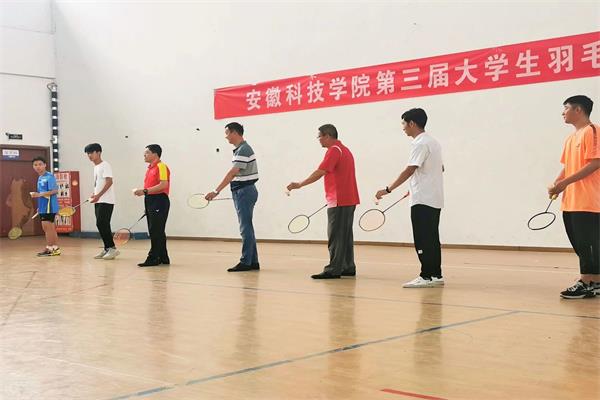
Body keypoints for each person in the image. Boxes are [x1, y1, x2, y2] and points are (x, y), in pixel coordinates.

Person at [375, 108, 444, 288]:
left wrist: (388, 189)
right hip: (434, 198)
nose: (403, 127)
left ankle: (426, 276)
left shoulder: (420, 143)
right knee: (432, 238)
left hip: (422, 199)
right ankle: (436, 275)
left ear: (412, 123)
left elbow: (410, 169)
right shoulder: (434, 142)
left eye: (404, 123)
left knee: (422, 238)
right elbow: (440, 168)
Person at [287, 124, 359, 279]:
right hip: (348, 199)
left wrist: (300, 184)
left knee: (336, 235)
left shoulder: (334, 150)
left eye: (319, 136)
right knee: (345, 235)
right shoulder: (345, 149)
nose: (318, 139)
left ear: (327, 136)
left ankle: (333, 269)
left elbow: (321, 171)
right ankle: (347, 266)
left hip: (340, 200)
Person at [548, 95, 600, 299]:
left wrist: (565, 182)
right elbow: (568, 166)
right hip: (571, 200)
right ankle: (595, 281)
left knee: (588, 243)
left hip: (589, 200)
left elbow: (596, 162)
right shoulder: (570, 138)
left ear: (578, 110)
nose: (563, 112)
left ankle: (586, 281)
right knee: (579, 243)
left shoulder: (592, 131)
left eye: (566, 108)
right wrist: (557, 184)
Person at [206, 122, 260, 272]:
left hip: (244, 192)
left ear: (235, 133)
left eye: (227, 133)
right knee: (247, 227)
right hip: (243, 191)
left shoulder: (243, 149)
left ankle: (246, 262)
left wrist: (215, 191)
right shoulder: (240, 149)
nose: (226, 137)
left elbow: (232, 173)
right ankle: (253, 261)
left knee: (245, 228)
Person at [133, 144, 171, 267]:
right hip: (151, 200)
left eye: (147, 152)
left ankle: (153, 258)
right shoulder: (150, 168)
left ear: (155, 154)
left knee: (156, 230)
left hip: (159, 200)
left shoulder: (161, 166)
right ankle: (163, 257)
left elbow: (163, 184)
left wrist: (144, 191)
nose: (144, 155)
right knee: (157, 230)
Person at [84, 143, 119, 260]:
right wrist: (94, 194)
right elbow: (98, 184)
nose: (89, 155)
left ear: (98, 152)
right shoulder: (96, 167)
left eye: (91, 153)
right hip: (99, 199)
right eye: (88, 153)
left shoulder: (105, 165)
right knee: (100, 224)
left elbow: (109, 182)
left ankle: (112, 249)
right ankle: (107, 248)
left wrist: (98, 195)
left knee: (102, 223)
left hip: (106, 200)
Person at [31, 156, 60, 256]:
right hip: (44, 206)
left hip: (49, 206)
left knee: (48, 228)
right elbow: (43, 193)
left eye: (40, 164)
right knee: (50, 228)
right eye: (35, 165)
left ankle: (49, 248)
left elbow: (55, 191)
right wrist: (40, 206)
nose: (38, 167)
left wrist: (39, 195)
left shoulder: (49, 176)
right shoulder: (40, 177)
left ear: (45, 165)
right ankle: (55, 248)